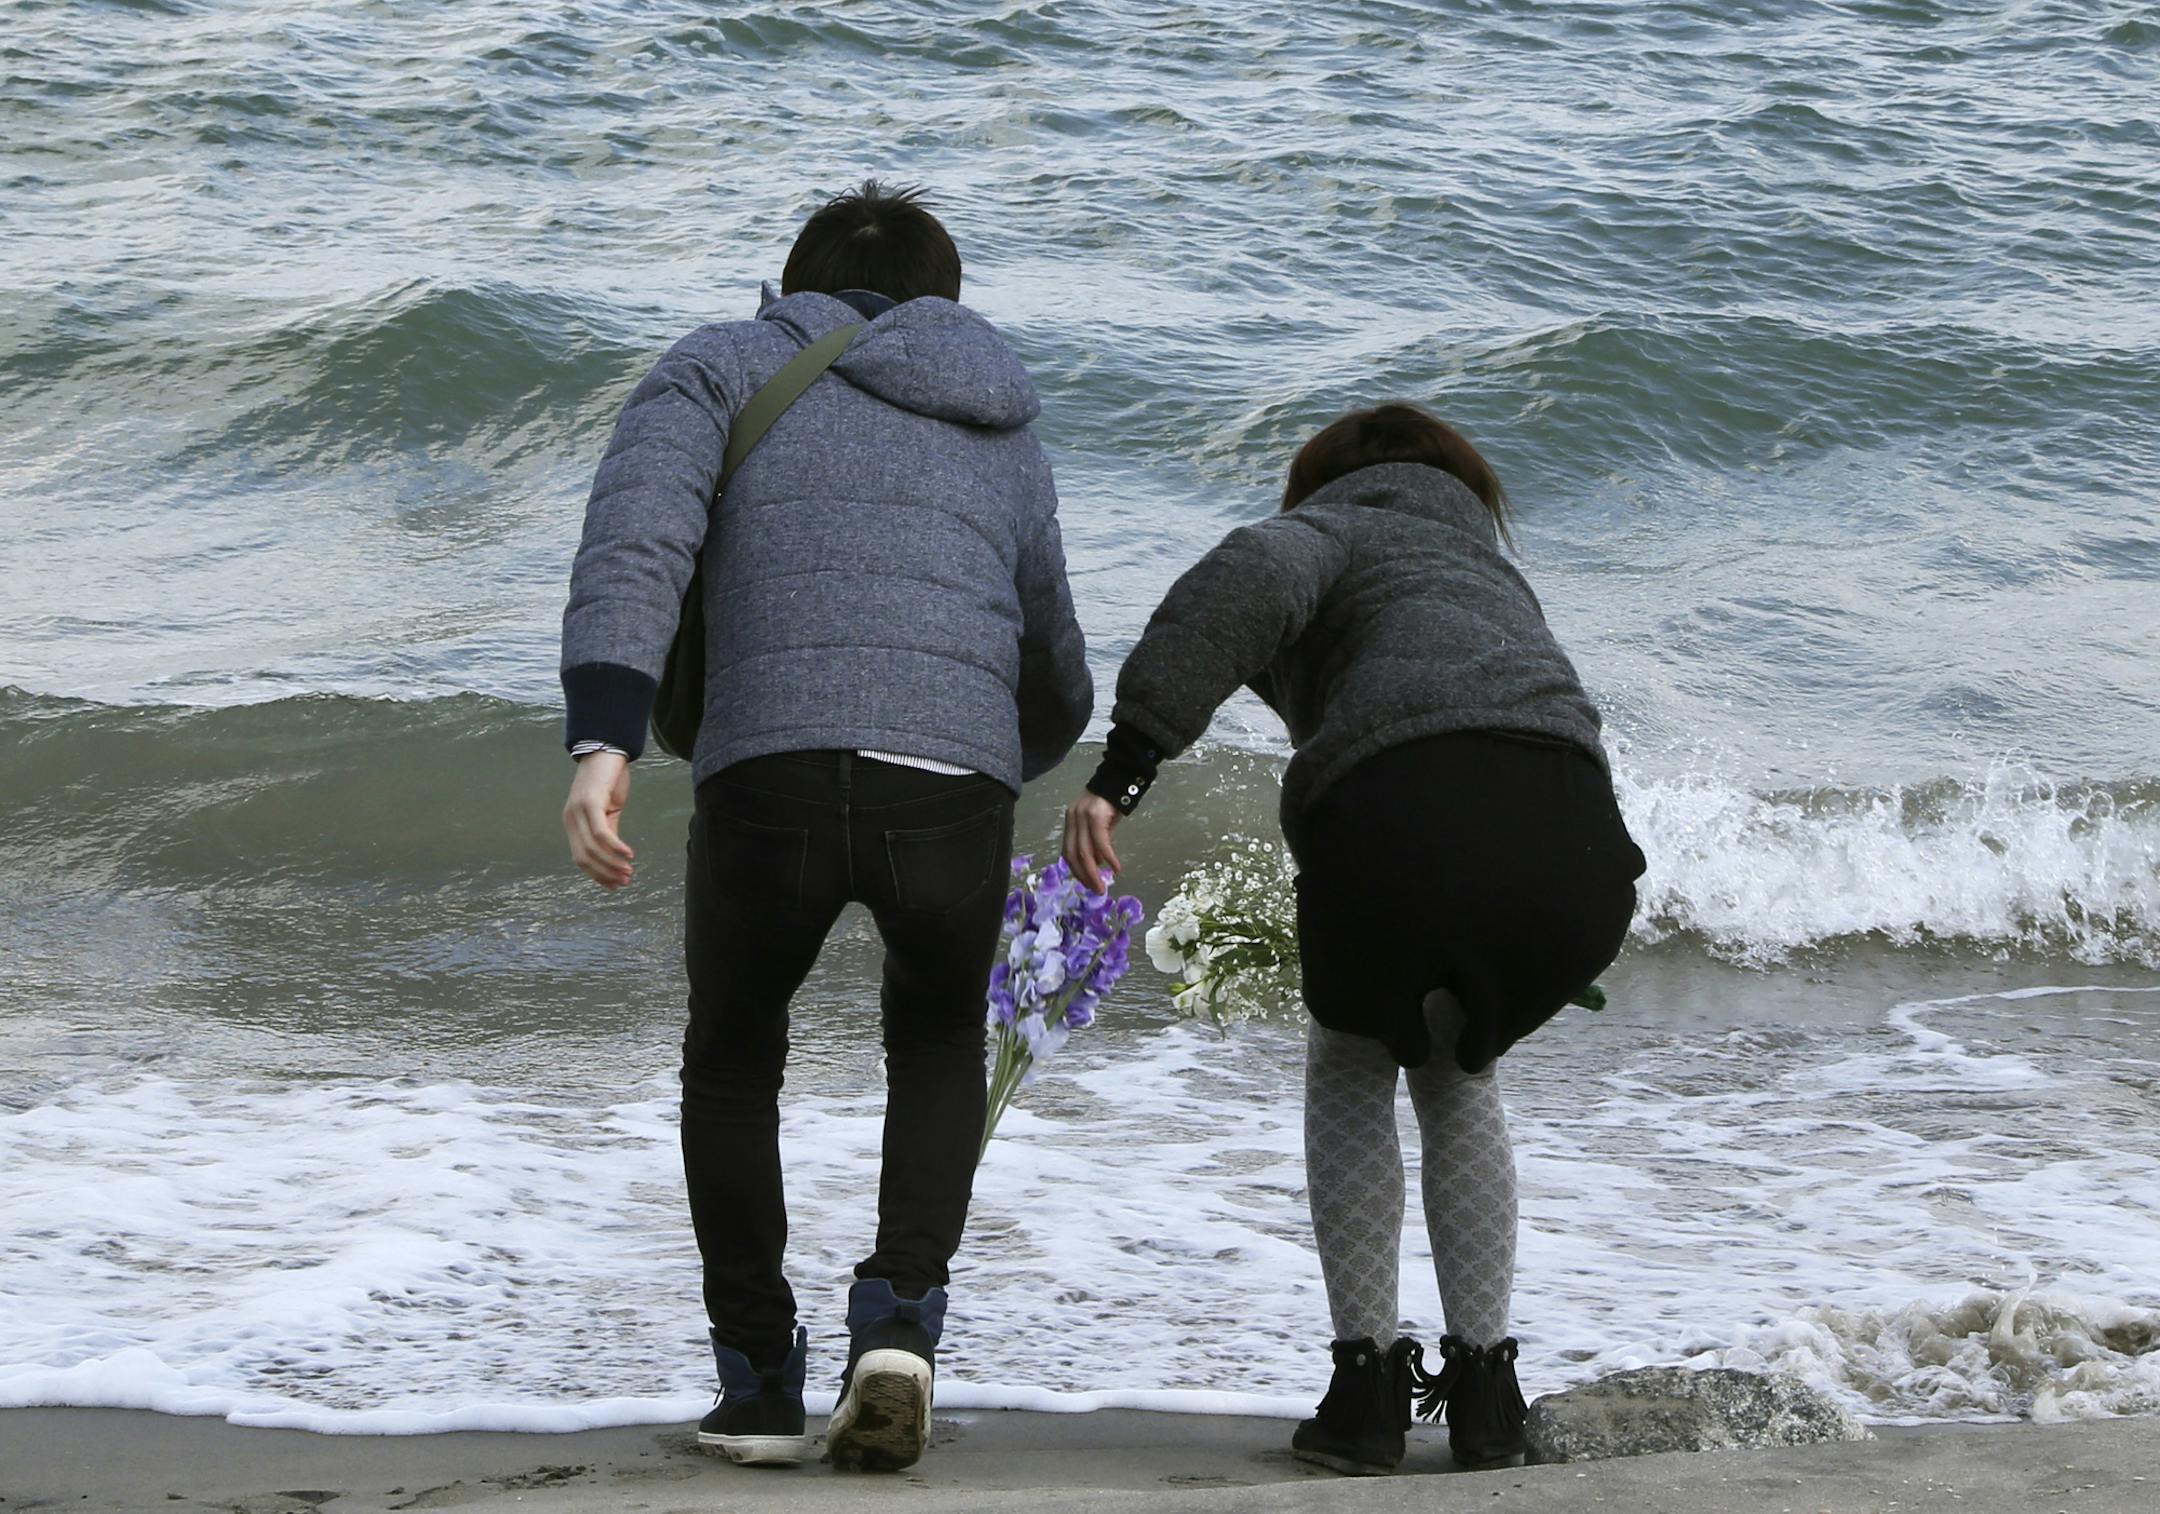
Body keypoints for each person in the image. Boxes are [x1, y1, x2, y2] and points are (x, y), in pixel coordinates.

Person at [560, 181, 1091, 1472]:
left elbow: (638, 543)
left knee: (735, 1058)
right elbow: (1055, 657)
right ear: (944, 300)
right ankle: (901, 1322)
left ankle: (754, 1382)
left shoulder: (717, 367)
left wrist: (606, 739)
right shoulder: (1000, 408)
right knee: (933, 1036)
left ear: (794, 287)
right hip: (950, 780)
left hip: (771, 773)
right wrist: (996, 760)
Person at [1063, 403, 1643, 1474]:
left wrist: (1125, 770)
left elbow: (1238, 586)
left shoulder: (1333, 529)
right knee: (1461, 1065)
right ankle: (1487, 1394)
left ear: (1322, 483)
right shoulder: (1488, 574)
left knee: (1351, 1060)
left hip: (1403, 807)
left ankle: (1367, 1388)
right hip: (1577, 843)